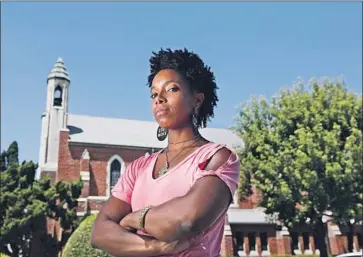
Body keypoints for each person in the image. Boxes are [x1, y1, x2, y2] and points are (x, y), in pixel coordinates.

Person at [91, 48, 240, 257]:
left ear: (197, 100)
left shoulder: (217, 157)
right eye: (154, 93)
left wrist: (133, 219)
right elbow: (99, 233)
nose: (159, 98)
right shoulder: (138, 167)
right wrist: (156, 247)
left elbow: (186, 220)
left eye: (171, 89)